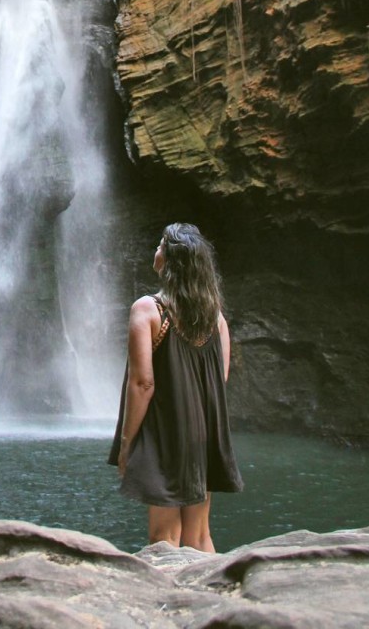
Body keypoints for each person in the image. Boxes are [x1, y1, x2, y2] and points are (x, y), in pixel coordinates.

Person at [109, 222, 243, 552]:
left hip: (165, 433)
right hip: (203, 433)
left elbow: (143, 384)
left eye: (160, 246)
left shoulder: (148, 310)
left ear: (170, 260)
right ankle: (213, 599)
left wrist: (127, 444)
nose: (155, 251)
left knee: (163, 539)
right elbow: (218, 380)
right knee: (199, 536)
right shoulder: (216, 319)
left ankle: (169, 602)